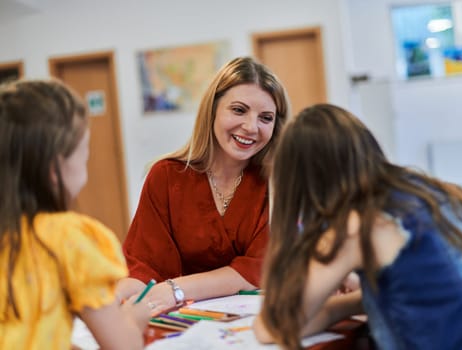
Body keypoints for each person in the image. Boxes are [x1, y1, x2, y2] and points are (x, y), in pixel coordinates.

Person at [254, 103, 462, 349]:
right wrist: (356, 301)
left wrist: (335, 305)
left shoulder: (358, 223)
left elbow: (272, 326)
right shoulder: (435, 192)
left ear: (304, 180)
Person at [117, 56, 290, 312]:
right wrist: (107, 299)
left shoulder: (276, 184)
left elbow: (255, 270)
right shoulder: (166, 177)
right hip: (180, 324)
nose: (251, 127)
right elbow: (143, 267)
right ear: (213, 110)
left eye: (266, 118)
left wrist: (175, 290)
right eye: (239, 110)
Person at [0, 79, 152, 349]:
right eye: (84, 151)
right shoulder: (68, 238)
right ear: (55, 167)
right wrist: (134, 319)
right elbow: (123, 345)